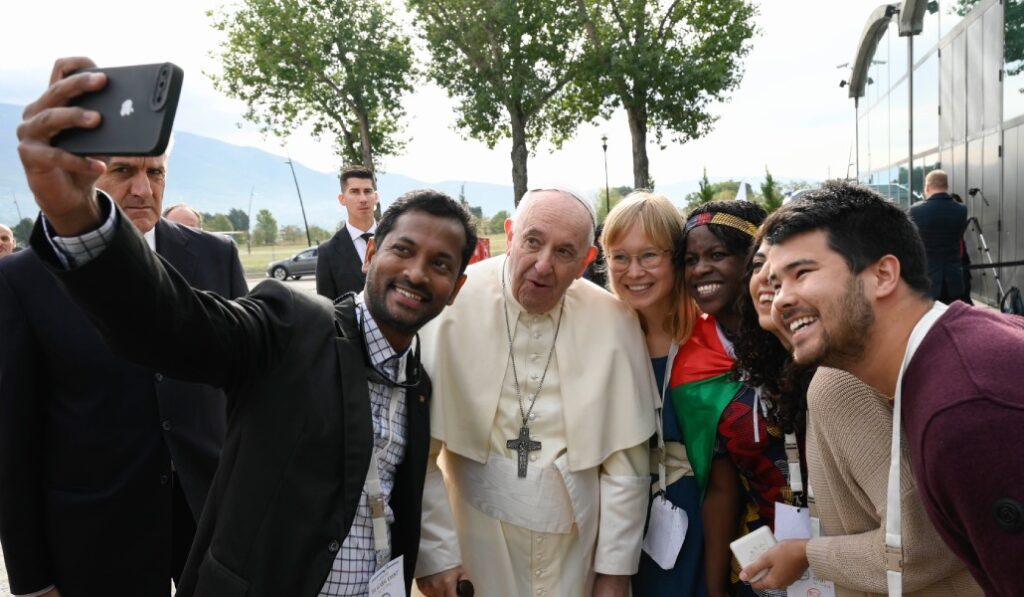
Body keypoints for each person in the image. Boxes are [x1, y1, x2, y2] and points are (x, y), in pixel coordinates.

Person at [14, 56, 478, 597]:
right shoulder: (293, 328)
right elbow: (178, 325)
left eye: (440, 264)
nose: (417, 273)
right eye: (403, 250)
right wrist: (79, 218)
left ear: (457, 287)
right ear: (370, 254)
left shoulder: (416, 384)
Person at [1, 110, 247, 595]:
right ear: (83, 174)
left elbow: (248, 391)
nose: (142, 189)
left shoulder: (215, 256)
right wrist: (32, 578)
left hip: (213, 518)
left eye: (155, 172)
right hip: (98, 535)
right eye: (123, 171)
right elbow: (13, 438)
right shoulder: (22, 280)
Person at [757, 180, 1023, 596]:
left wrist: (811, 554)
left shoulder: (966, 411)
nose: (780, 300)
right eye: (776, 283)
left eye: (802, 273)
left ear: (883, 275)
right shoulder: (943, 364)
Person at [414, 188, 657, 597]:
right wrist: (436, 556)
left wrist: (615, 572)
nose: (543, 265)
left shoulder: (614, 320)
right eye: (532, 241)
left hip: (576, 549)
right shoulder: (453, 303)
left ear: (585, 261)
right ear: (510, 235)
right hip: (475, 538)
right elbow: (420, 454)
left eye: (564, 252)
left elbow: (626, 464)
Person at [674, 200, 793, 597]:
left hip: (848, 538)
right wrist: (715, 591)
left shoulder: (800, 330)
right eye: (691, 260)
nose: (700, 270)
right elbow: (721, 489)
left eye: (717, 255)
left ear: (753, 260)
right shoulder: (693, 364)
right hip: (764, 552)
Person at [600, 192, 705, 596]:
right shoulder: (602, 338)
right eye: (619, 257)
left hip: (702, 511)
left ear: (676, 257)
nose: (633, 271)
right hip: (625, 514)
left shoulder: (710, 336)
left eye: (648, 255)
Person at [317, 164, 379, 300]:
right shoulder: (328, 252)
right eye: (355, 192)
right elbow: (326, 307)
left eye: (367, 191)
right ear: (342, 199)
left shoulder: (394, 239)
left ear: (376, 197)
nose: (363, 199)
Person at [908, 170, 967, 303]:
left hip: (928, 279)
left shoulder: (916, 210)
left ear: (927, 187)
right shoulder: (961, 210)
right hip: (954, 279)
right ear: (947, 186)